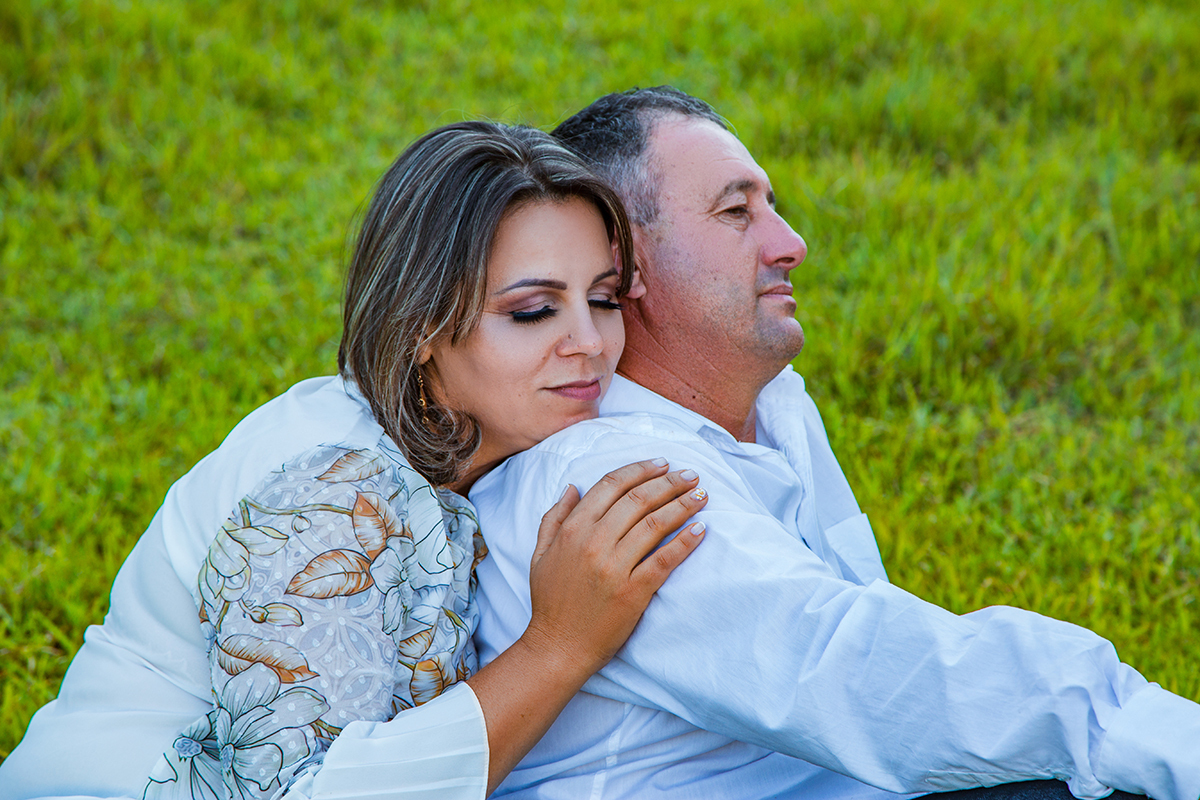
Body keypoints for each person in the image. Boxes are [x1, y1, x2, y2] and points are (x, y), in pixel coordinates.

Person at [469, 87, 1200, 800]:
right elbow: (851, 667)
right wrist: (1150, 732)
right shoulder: (617, 482)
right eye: (736, 212)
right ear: (621, 263)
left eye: (773, 206)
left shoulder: (771, 403)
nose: (791, 244)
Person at [0, 121, 711, 800]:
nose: (589, 341)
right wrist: (558, 646)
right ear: (422, 324)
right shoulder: (330, 495)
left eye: (605, 298)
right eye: (532, 311)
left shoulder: (473, 437)